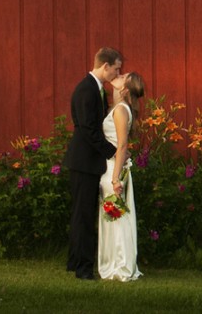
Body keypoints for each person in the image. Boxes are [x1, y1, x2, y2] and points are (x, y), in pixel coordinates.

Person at [65, 46, 123, 280]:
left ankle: (75, 262)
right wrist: (113, 152)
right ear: (105, 66)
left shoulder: (96, 89)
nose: (117, 74)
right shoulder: (87, 90)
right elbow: (88, 129)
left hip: (87, 161)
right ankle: (83, 269)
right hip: (83, 162)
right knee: (84, 216)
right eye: (116, 69)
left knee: (83, 214)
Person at [98, 71, 145, 281]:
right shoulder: (118, 108)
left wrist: (116, 178)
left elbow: (122, 143)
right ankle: (114, 262)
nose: (118, 74)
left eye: (122, 75)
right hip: (112, 166)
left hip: (113, 169)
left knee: (116, 216)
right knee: (113, 216)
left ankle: (120, 265)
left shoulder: (120, 111)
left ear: (124, 88)